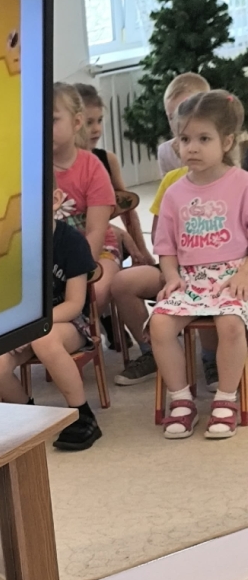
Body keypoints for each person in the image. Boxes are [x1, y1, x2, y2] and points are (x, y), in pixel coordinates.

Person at [150, 90, 248, 439]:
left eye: (203, 139)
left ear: (227, 141)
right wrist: (171, 277)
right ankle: (181, 399)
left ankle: (226, 398)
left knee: (230, 323)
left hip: (234, 275)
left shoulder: (242, 183)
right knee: (159, 324)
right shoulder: (174, 192)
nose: (191, 147)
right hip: (190, 279)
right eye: (185, 138)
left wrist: (244, 273)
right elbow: (165, 247)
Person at [112, 72, 218, 387]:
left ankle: (211, 358)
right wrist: (170, 269)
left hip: (216, 270)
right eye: (172, 117)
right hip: (175, 265)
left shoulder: (231, 177)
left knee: (209, 290)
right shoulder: (171, 174)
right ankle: (152, 353)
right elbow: (161, 235)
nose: (179, 122)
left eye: (189, 110)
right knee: (122, 283)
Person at [0, 176, 102, 452]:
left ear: (55, 200)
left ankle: (82, 414)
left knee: (44, 339)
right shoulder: (8, 245)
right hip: (23, 325)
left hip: (68, 323)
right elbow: (2, 301)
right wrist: (17, 329)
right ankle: (28, 415)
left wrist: (34, 326)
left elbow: (74, 304)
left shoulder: (71, 241)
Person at [75, 82, 154, 268]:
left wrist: (143, 251)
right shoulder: (60, 165)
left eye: (99, 120)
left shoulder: (107, 160)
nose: (96, 129)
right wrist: (118, 231)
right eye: (89, 122)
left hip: (105, 243)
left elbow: (127, 206)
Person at [52, 82, 116, 312]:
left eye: (53, 120)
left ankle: (90, 326)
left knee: (96, 292)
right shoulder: (31, 168)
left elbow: (96, 231)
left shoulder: (92, 167)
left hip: (96, 252)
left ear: (76, 122)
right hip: (53, 258)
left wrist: (75, 274)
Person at [158, 72, 211, 176]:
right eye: (171, 117)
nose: (176, 123)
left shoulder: (215, 145)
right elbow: (169, 184)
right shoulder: (165, 152)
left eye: (184, 115)